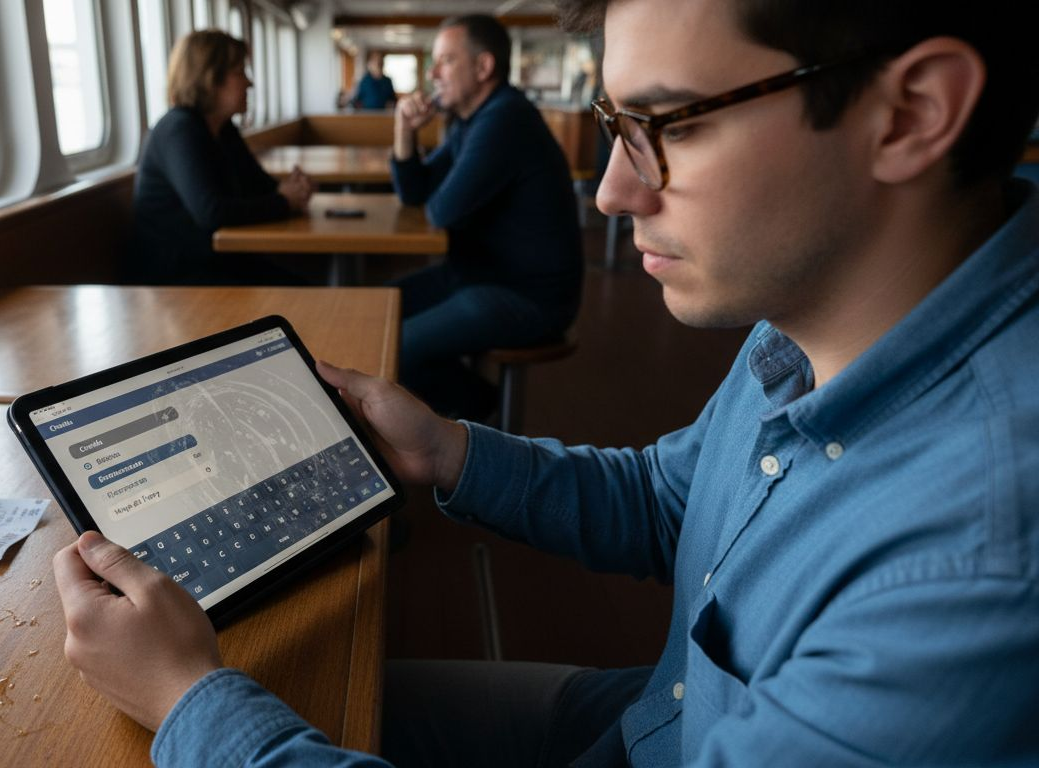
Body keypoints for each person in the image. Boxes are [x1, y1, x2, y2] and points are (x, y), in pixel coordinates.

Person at [54, 0, 1039, 766]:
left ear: (910, 113)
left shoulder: (977, 574)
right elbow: (667, 498)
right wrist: (448, 448)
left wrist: (192, 700)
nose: (611, 190)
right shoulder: (817, 317)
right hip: (644, 717)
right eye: (617, 122)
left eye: (669, 123)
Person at [388, 14, 583, 420]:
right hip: (475, 275)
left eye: (444, 60)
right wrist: (405, 131)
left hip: (529, 297)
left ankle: (478, 415)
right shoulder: (470, 120)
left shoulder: (504, 119)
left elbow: (440, 211)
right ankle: (473, 404)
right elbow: (414, 193)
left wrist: (434, 188)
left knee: (397, 346)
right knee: (378, 309)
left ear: (483, 66)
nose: (433, 72)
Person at [128, 30, 313, 285]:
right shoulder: (179, 129)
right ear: (210, 79)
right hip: (177, 277)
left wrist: (292, 190)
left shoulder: (223, 129)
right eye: (240, 72)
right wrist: (284, 201)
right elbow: (211, 212)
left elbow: (261, 185)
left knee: (307, 288)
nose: (250, 83)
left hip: (218, 261)